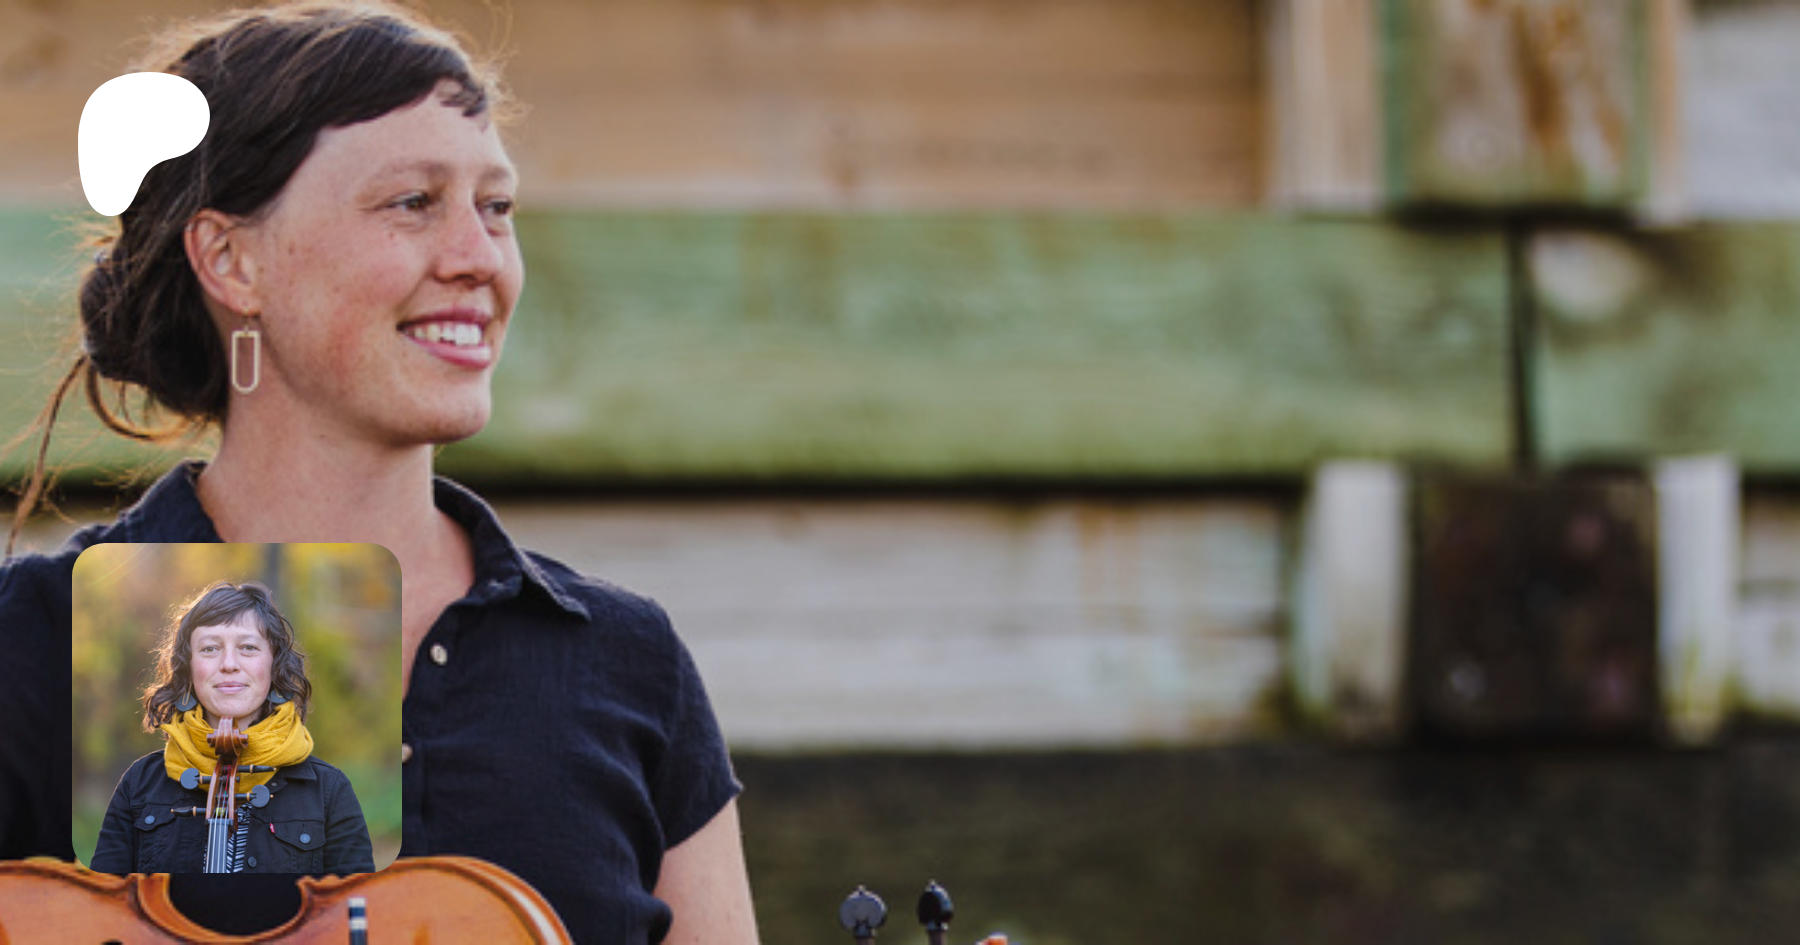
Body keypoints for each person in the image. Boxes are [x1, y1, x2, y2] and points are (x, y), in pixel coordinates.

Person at [0, 3, 758, 942]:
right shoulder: (38, 640)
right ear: (231, 260)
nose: (479, 259)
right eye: (412, 202)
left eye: (496, 208)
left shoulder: (628, 661)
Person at [90, 581, 374, 875]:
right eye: (210, 648)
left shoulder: (328, 791)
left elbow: (355, 901)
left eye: (248, 647)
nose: (228, 664)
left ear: (274, 663)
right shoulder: (140, 784)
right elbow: (102, 900)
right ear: (188, 667)